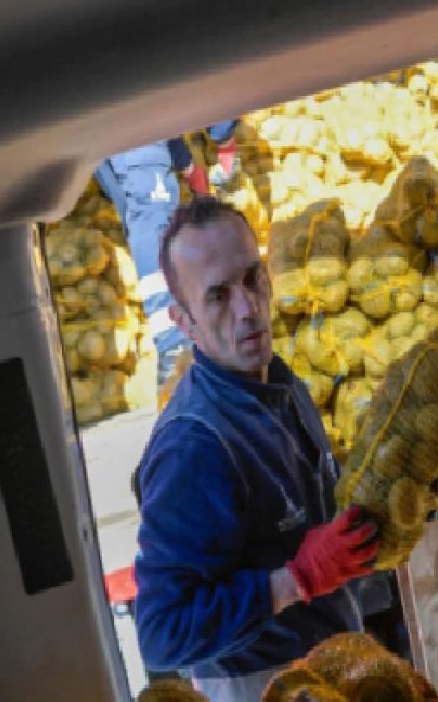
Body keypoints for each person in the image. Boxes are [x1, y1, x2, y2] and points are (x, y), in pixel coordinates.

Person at [132, 197, 378, 701]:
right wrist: (293, 580)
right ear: (183, 321)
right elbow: (161, 633)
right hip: (261, 686)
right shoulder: (194, 445)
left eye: (252, 279)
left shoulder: (280, 385)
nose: (247, 309)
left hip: (332, 663)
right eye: (218, 296)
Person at [94, 121, 240, 386]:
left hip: (112, 124)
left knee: (140, 213)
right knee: (152, 216)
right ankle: (173, 346)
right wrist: (224, 139)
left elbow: (158, 109)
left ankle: (179, 343)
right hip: (131, 125)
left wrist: (186, 164)